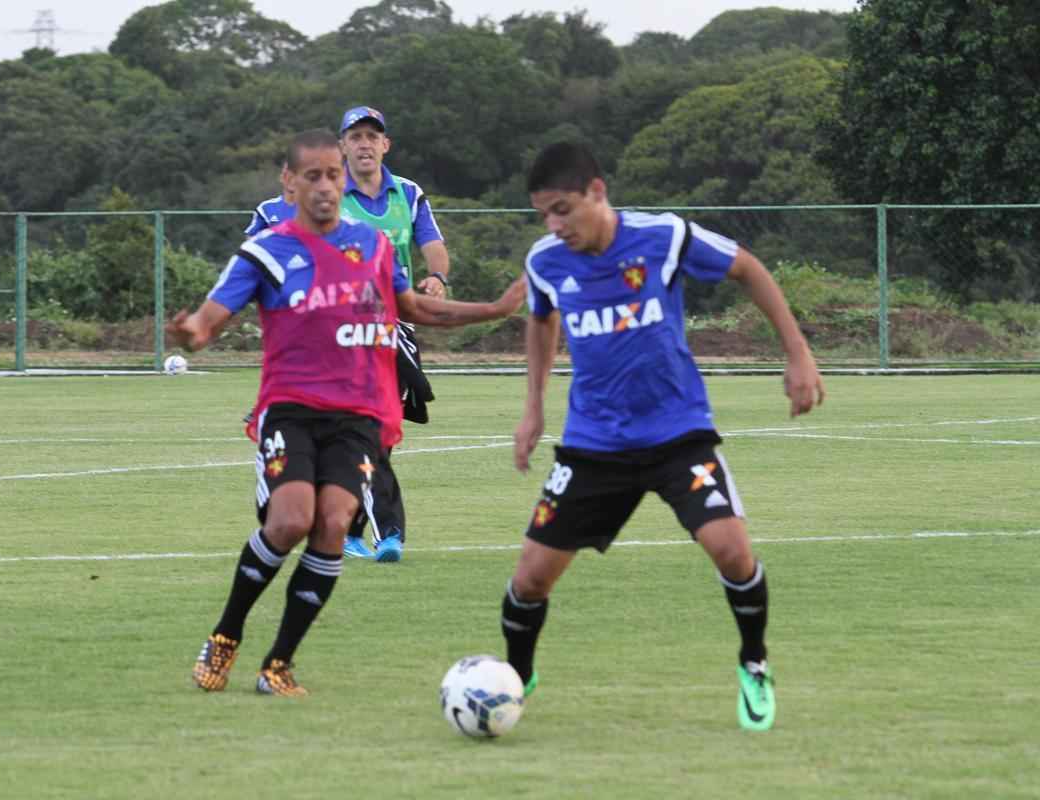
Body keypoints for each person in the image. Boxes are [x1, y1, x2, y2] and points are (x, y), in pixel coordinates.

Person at [168, 129, 524, 696]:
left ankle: (278, 663)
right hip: (290, 409)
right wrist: (190, 334)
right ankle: (226, 634)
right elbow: (209, 322)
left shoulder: (374, 247)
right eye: (313, 176)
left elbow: (413, 308)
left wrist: (492, 308)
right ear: (289, 183)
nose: (326, 186)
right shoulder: (266, 251)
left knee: (333, 523)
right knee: (288, 521)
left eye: (333, 174)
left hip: (358, 413)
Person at [501, 142, 825, 731]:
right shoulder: (546, 261)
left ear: (597, 192)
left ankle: (754, 662)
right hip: (593, 445)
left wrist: (798, 353)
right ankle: (512, 681)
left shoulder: (664, 238)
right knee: (530, 577)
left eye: (563, 209)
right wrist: (533, 409)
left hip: (678, 434)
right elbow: (541, 319)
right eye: (543, 214)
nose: (554, 225)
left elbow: (748, 268)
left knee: (732, 549)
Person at [245, 106, 454, 564]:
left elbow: (433, 245)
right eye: (354, 136)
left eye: (371, 136)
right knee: (360, 427)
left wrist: (437, 277)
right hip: (335, 332)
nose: (363, 143)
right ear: (342, 147)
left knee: (381, 426)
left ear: (385, 145)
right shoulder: (332, 194)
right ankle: (370, 528)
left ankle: (359, 524)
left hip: (392, 328)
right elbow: (274, 226)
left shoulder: (409, 194)